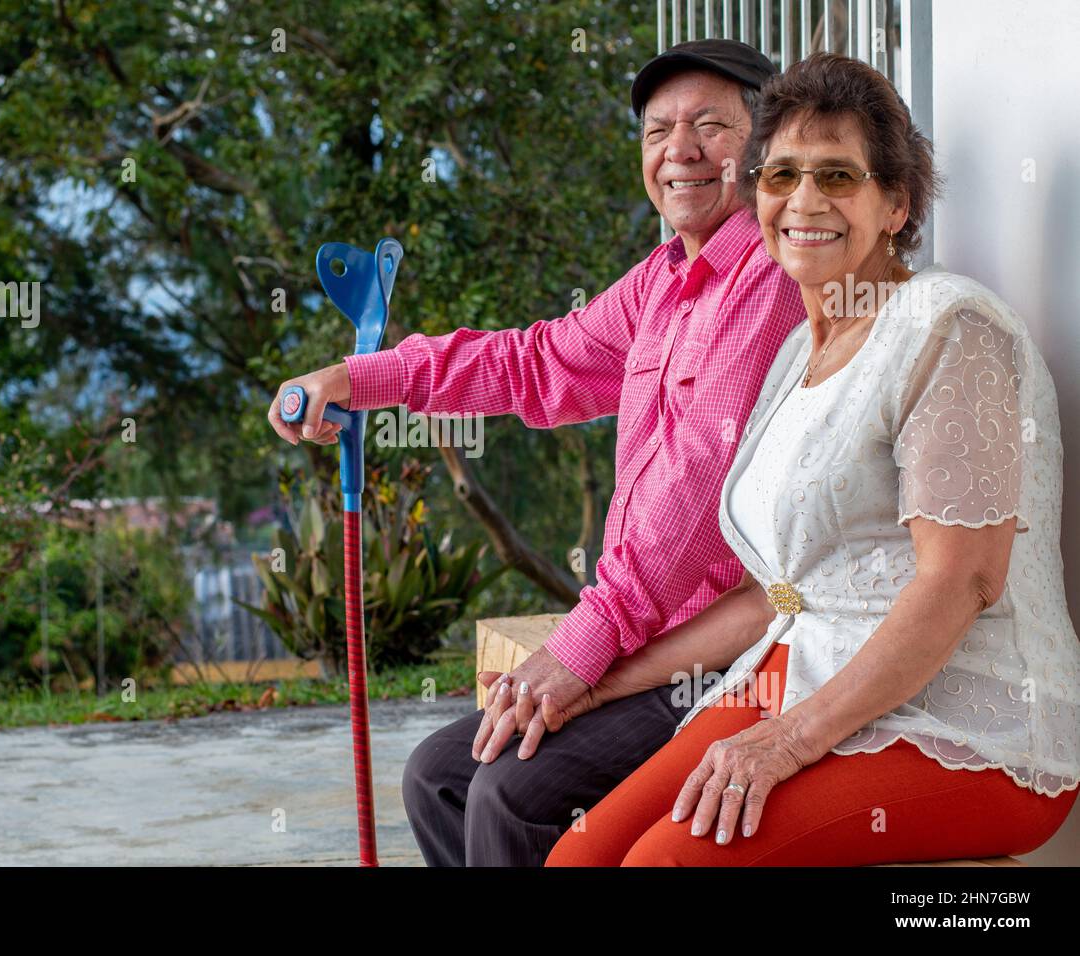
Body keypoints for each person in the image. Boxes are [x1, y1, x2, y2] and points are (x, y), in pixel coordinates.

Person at [267, 39, 808, 866]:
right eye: (658, 131)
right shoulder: (663, 280)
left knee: (512, 795)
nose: (680, 151)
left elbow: (696, 497)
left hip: (730, 655)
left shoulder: (767, 280)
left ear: (763, 147)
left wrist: (581, 650)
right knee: (438, 775)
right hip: (651, 640)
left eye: (710, 125)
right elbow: (534, 361)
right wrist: (357, 376)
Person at [545, 52, 1080, 866]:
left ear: (896, 203)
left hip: (968, 719)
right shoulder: (800, 352)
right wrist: (607, 679)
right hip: (801, 670)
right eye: (781, 174)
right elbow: (782, 593)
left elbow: (961, 578)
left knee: (663, 864)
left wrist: (789, 742)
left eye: (837, 177)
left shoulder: (948, 328)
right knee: (579, 857)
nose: (803, 201)